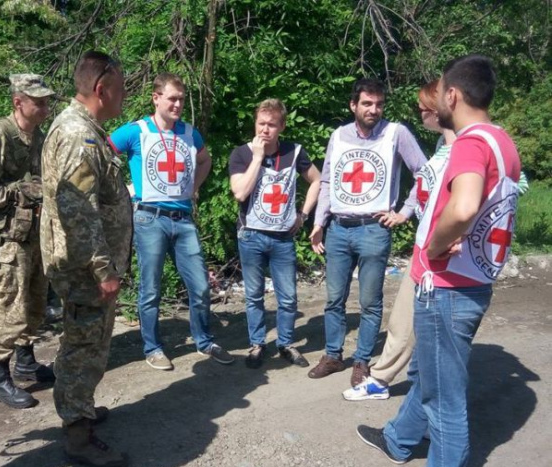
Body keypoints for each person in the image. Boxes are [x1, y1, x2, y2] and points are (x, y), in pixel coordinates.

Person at [357, 54, 521, 467]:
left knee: (442, 392)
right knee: (429, 375)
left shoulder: (470, 143)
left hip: (448, 285)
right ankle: (399, 439)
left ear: (452, 95)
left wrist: (433, 247)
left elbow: (465, 207)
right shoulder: (502, 141)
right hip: (472, 281)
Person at [40, 51, 132, 467]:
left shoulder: (85, 130)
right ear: (102, 89)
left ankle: (81, 409)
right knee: (83, 345)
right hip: (84, 268)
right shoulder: (79, 135)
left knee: (88, 342)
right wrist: (103, 269)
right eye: (121, 85)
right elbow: (79, 212)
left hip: (86, 264)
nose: (124, 93)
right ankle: (77, 433)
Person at [109, 73, 234, 371]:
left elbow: (205, 161)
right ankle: (153, 347)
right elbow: (101, 154)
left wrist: (193, 188)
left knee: (201, 286)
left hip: (183, 219)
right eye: (172, 98)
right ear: (156, 98)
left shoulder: (190, 133)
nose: (178, 104)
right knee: (151, 288)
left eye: (181, 99)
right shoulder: (135, 131)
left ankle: (204, 341)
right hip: (149, 218)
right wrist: (119, 190)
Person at [308, 78, 426, 386]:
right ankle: (333, 355)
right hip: (338, 228)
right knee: (334, 299)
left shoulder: (395, 133)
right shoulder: (339, 135)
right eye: (367, 103)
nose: (374, 109)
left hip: (374, 229)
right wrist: (319, 223)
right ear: (353, 105)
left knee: (370, 302)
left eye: (379, 104)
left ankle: (361, 361)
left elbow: (425, 173)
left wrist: (404, 212)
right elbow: (328, 182)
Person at [342, 80, 455, 400]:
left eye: (422, 108)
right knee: (407, 320)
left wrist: (460, 231)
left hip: (443, 250)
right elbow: (427, 186)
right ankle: (400, 383)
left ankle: (392, 383)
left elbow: (508, 184)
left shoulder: (467, 146)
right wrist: (409, 213)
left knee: (423, 324)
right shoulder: (442, 147)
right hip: (426, 244)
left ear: (440, 109)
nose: (419, 115)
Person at [0, 73, 55, 410]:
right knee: (10, 301)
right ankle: (0, 379)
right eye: (38, 102)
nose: (45, 108)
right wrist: (20, 190)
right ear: (18, 102)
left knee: (34, 298)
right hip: (10, 237)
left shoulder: (38, 137)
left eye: (47, 101)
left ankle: (26, 361)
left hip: (34, 233)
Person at [228, 99, 321, 369]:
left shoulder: (295, 152)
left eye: (271, 125)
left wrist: (303, 215)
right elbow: (240, 193)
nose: (265, 130)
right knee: (254, 295)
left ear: (282, 126)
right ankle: (257, 344)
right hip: (251, 236)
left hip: (282, 237)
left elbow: (317, 180)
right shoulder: (241, 154)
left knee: (288, 296)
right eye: (261, 123)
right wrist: (258, 158)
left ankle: (286, 343)